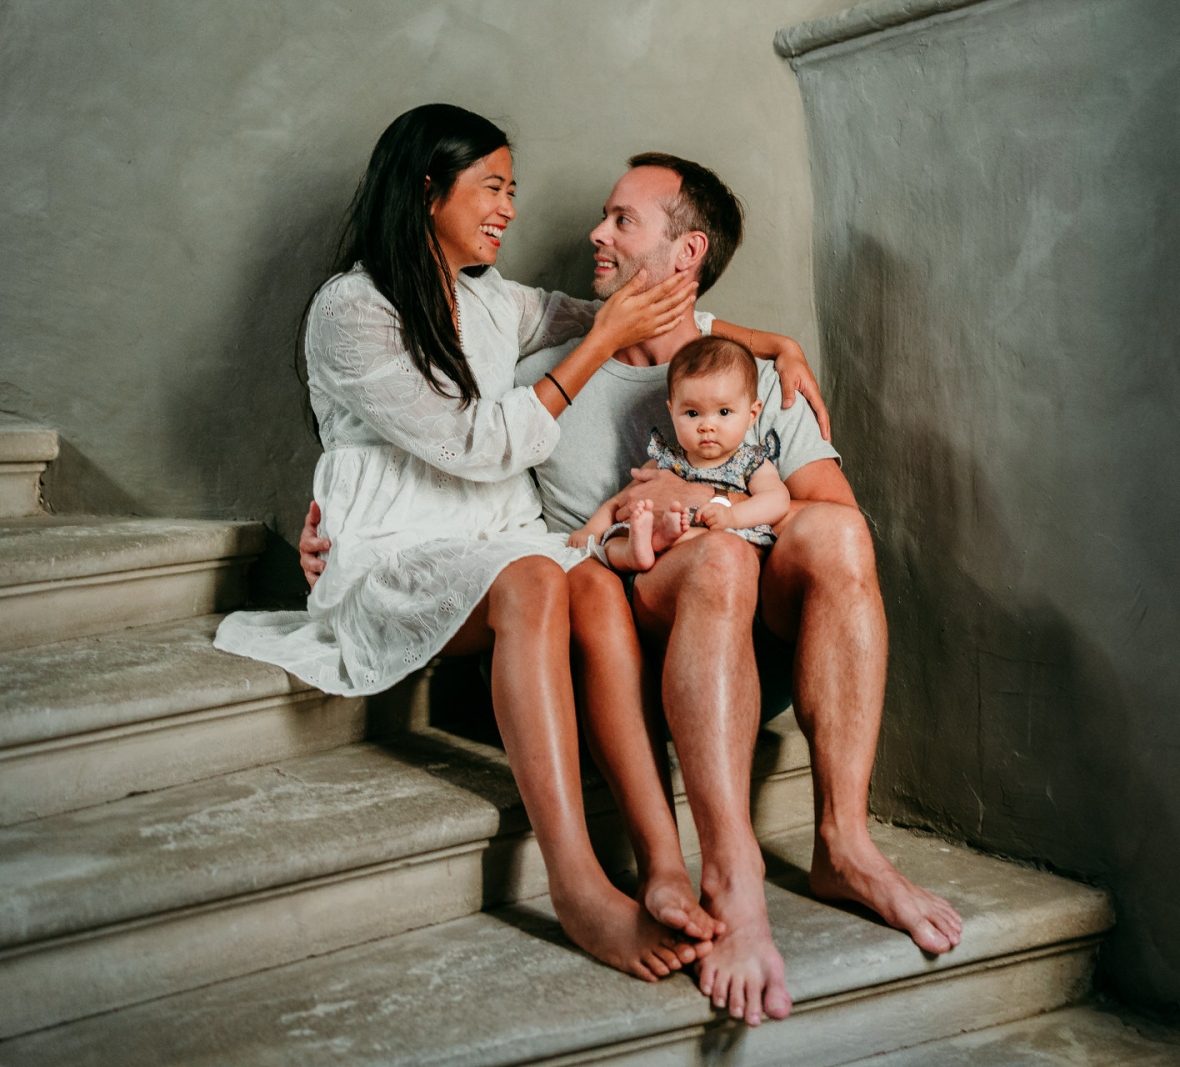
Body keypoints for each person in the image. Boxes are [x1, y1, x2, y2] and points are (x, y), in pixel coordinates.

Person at [301, 152, 964, 1027]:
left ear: (686, 252)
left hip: (760, 621)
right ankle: (730, 872)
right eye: (604, 218)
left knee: (839, 529)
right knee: (721, 564)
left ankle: (844, 838)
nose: (595, 234)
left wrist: (706, 495)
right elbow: (453, 459)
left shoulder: (750, 374)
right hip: (642, 607)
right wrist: (345, 537)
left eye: (622, 221)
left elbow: (830, 514)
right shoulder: (547, 369)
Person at [217, 104, 812, 983]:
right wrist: (603, 338)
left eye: (512, 190)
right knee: (538, 575)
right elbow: (476, 443)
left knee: (591, 584)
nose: (510, 210)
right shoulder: (351, 310)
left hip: (497, 535)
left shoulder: (496, 299)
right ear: (428, 191)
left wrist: (771, 341)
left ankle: (662, 861)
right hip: (396, 549)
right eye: (491, 188)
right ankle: (575, 883)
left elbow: (641, 312)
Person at [572, 336, 791, 572]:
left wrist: (733, 517)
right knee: (614, 540)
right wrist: (591, 530)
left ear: (752, 414)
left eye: (724, 412)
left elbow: (777, 500)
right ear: (672, 411)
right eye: (692, 413)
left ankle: (661, 541)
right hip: (660, 556)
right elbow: (621, 501)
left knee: (722, 541)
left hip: (717, 545)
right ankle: (635, 552)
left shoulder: (751, 462)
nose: (707, 426)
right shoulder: (665, 460)